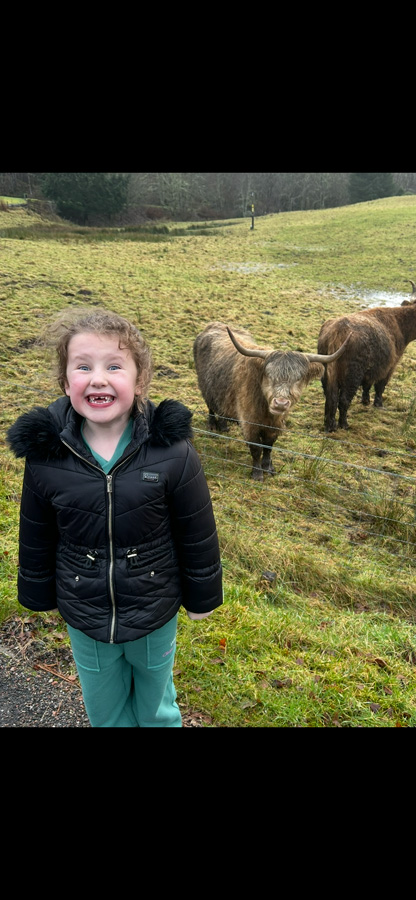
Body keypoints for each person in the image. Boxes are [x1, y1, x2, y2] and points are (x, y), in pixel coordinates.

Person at [7, 307, 223, 727]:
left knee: (155, 701)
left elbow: (197, 530)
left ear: (139, 381)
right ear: (65, 381)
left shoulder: (172, 451)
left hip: (153, 608)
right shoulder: (46, 455)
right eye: (83, 366)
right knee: (104, 709)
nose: (98, 378)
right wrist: (37, 592)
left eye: (114, 366)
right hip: (84, 612)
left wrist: (202, 597)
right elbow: (36, 531)